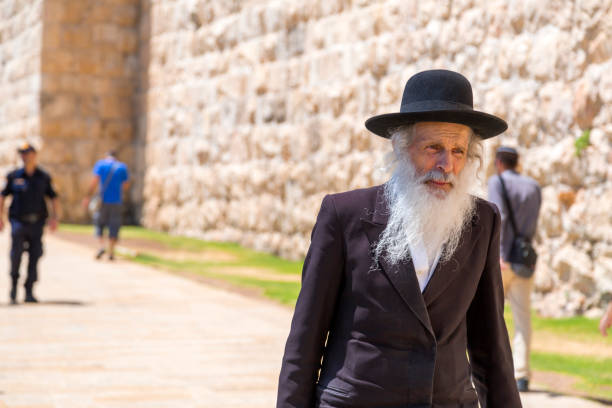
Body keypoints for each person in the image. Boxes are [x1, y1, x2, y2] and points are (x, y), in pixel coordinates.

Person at [277, 70, 521, 408]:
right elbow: (305, 340)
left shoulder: (483, 221)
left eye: (458, 151)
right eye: (433, 147)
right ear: (402, 148)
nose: (446, 164)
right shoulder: (344, 215)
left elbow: (491, 344)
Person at [487, 146, 541, 393]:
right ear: (517, 162)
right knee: (522, 319)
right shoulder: (534, 186)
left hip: (502, 259)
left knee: (490, 315)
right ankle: (522, 375)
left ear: (499, 162)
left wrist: (498, 253)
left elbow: (500, 217)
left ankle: (493, 370)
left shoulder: (496, 182)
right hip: (524, 259)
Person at [0, 143, 60, 304]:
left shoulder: (43, 176)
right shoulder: (14, 176)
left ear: (34, 155)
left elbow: (53, 197)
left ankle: (29, 290)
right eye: (22, 153)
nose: (25, 156)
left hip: (37, 223)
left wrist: (55, 218)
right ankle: (13, 287)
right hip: (18, 221)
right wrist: (1, 217)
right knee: (16, 255)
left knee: (35, 255)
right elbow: (3, 195)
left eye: (27, 153)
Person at [82, 151, 129, 261]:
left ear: (107, 156)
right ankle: (111, 251)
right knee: (114, 225)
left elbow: (94, 182)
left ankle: (102, 246)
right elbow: (126, 185)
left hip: (102, 201)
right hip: (116, 201)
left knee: (99, 224)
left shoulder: (101, 165)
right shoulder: (122, 167)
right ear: (116, 158)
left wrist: (87, 197)